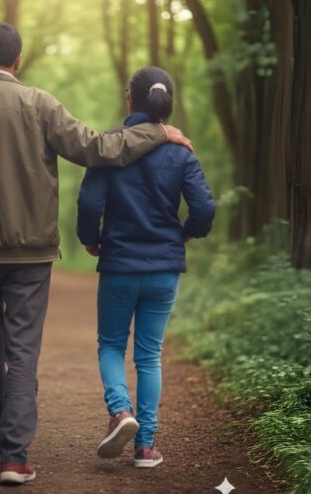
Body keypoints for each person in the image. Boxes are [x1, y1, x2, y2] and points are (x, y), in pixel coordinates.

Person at [0, 23, 194, 486]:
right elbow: (97, 149)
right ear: (18, 60)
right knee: (22, 351)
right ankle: (14, 456)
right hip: (31, 251)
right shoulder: (39, 104)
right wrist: (158, 133)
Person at [76, 66, 215, 469]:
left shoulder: (110, 148)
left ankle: (121, 411)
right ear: (166, 103)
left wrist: (90, 238)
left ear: (129, 99)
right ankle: (146, 447)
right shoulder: (181, 151)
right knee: (150, 355)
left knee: (111, 345)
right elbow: (204, 208)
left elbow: (89, 203)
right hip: (164, 268)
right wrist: (184, 235)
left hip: (119, 263)